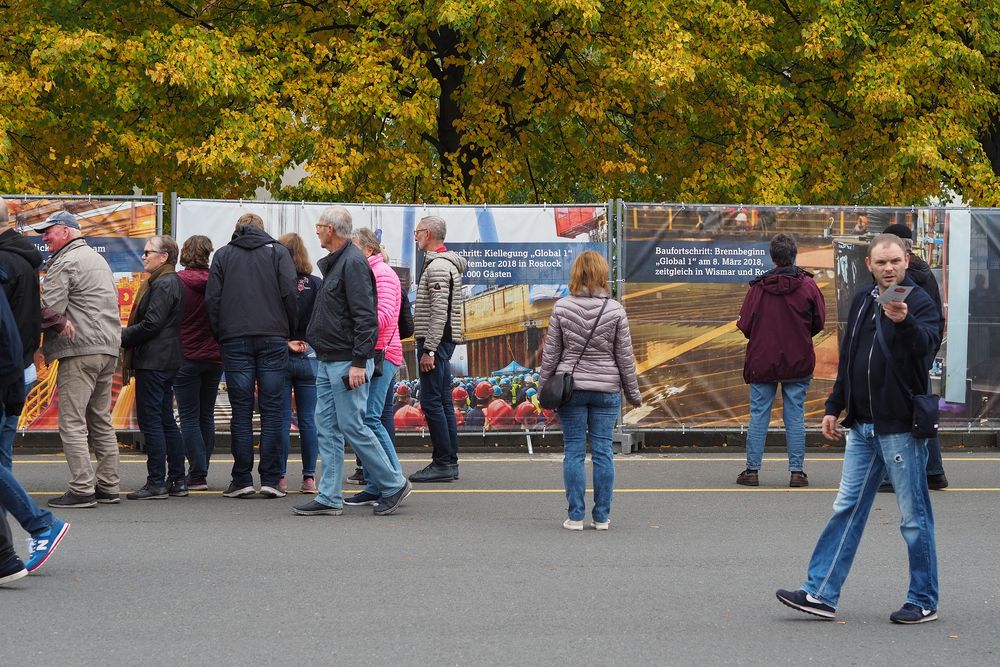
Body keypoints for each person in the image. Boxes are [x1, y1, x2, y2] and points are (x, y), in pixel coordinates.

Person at [777, 233, 941, 624]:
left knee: (913, 518)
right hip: (862, 428)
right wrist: (835, 406)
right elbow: (850, 358)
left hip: (900, 427)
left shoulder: (918, 301)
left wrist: (904, 323)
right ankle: (820, 593)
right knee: (846, 508)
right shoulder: (864, 300)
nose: (888, 268)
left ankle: (923, 599)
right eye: (881, 262)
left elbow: (926, 348)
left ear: (906, 261)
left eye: (895, 262)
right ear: (869, 265)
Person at [292, 206, 411, 517]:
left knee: (353, 425)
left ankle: (393, 483)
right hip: (331, 358)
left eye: (319, 226)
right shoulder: (341, 263)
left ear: (331, 230)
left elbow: (365, 318)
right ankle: (329, 496)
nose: (316, 230)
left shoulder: (352, 263)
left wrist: (360, 362)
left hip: (347, 361)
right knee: (327, 426)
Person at [540, 250, 642, 531]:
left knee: (573, 451)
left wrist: (543, 391)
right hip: (607, 389)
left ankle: (575, 516)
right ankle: (601, 517)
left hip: (571, 388)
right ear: (602, 274)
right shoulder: (615, 310)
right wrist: (633, 394)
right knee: (603, 452)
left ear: (576, 274)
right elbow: (625, 357)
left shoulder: (562, 308)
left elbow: (550, 355)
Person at [0, 199, 70, 575]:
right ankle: (6, 556)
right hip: (17, 368)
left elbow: (8, 332)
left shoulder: (6, 263)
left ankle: (39, 524)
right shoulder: (20, 261)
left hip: (10, 370)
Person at [206, 213, 297, 499]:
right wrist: (290, 330)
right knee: (272, 411)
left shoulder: (223, 255)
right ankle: (271, 478)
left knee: (241, 411)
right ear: (262, 230)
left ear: (237, 230)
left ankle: (241, 478)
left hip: (235, 339)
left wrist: (221, 332)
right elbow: (290, 293)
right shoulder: (279, 253)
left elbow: (213, 299)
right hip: (273, 337)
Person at [34, 210, 121, 508]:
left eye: (49, 231)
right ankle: (109, 486)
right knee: (100, 419)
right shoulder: (98, 260)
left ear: (67, 232)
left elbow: (52, 308)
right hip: (107, 349)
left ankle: (82, 488)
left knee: (71, 421)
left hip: (79, 349)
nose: (44, 237)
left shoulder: (66, 261)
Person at [736, 233, 825, 487]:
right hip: (798, 359)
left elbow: (745, 325)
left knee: (759, 414)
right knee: (795, 415)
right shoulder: (808, 286)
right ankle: (797, 472)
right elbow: (819, 321)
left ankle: (752, 471)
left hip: (763, 360)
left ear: (772, 257)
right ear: (794, 255)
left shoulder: (758, 288)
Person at [881, 223, 948, 490]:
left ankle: (890, 476)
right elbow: (937, 318)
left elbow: (884, 321)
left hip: (897, 357)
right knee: (923, 410)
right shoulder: (927, 275)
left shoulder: (894, 278)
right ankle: (934, 471)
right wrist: (929, 353)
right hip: (921, 354)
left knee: (891, 414)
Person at [342, 227, 406, 507]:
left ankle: (393, 481)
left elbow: (383, 317)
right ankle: (375, 483)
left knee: (370, 419)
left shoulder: (381, 275)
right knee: (370, 419)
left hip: (382, 354)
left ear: (368, 249)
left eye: (353, 247)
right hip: (377, 353)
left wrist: (349, 324)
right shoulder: (375, 273)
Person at [122, 235, 186, 500]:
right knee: (164, 420)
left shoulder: (163, 283)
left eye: (149, 252)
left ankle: (157, 481)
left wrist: (120, 336)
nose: (144, 256)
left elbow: (152, 324)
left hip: (155, 361)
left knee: (153, 422)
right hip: (163, 358)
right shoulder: (166, 281)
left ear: (165, 257)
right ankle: (177, 480)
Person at [408, 215, 468, 483]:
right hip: (441, 342)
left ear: (429, 233)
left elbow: (439, 312)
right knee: (442, 401)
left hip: (435, 342)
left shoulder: (438, 267)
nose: (415, 236)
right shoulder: (442, 264)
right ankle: (448, 460)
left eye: (418, 232)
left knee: (433, 402)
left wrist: (429, 349)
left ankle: (443, 462)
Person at [174, 235, 222, 491]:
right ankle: (201, 470)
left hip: (186, 355)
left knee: (188, 416)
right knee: (206, 416)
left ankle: (197, 473)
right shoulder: (217, 282)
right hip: (214, 356)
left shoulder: (178, 282)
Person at [277, 232, 322, 494]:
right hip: (310, 354)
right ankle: (308, 478)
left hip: (281, 353)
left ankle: (280, 477)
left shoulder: (274, 284)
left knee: (281, 419)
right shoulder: (316, 284)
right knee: (309, 420)